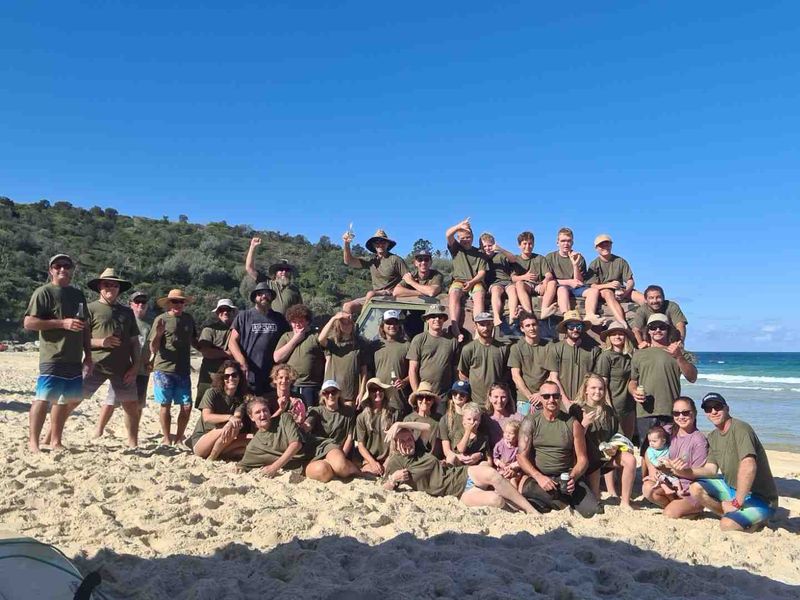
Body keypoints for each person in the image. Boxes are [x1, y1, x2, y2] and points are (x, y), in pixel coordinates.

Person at [665, 393, 778, 532]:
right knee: (696, 488)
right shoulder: (713, 436)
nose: (713, 411)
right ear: (705, 413)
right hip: (731, 488)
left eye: (717, 407)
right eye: (708, 409)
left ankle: (747, 518)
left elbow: (749, 465)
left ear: (727, 408)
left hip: (760, 496)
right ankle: (729, 514)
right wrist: (683, 471)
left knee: (727, 526)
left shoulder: (741, 428)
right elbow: (710, 470)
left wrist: (737, 502)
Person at [383, 421, 538, 513]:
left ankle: (532, 511)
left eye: (409, 439)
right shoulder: (396, 461)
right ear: (395, 443)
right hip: (455, 492)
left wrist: (400, 424)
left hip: (460, 474)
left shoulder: (419, 448)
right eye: (402, 441)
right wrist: (393, 479)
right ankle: (517, 513)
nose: (407, 443)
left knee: (492, 474)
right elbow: (383, 488)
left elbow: (427, 427)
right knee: (496, 500)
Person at [24, 254, 92, 452]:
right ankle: (33, 442)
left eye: (67, 266)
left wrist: (88, 355)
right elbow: (29, 322)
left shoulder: (78, 295)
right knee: (43, 398)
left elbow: (85, 327)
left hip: (73, 357)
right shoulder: (43, 292)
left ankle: (55, 441)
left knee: (63, 401)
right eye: (58, 266)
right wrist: (62, 323)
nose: (62, 269)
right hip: (52, 356)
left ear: (72, 270)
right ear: (50, 270)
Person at [517, 381, 600, 517]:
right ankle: (558, 501)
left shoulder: (572, 423)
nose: (551, 400)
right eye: (546, 396)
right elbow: (521, 456)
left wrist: (573, 477)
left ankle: (557, 501)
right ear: (540, 398)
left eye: (555, 396)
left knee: (592, 510)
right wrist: (539, 477)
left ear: (561, 398)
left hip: (565, 476)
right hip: (540, 477)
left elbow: (582, 459)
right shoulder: (530, 421)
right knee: (534, 491)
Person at [629, 313, 697, 476]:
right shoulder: (639, 353)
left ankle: (672, 482)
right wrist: (633, 392)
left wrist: (679, 356)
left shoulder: (678, 351)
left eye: (662, 327)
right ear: (648, 331)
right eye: (653, 327)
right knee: (647, 450)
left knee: (673, 449)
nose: (657, 330)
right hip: (646, 411)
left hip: (671, 410)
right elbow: (632, 381)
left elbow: (692, 377)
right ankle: (648, 484)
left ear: (668, 329)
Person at [82, 268, 142, 446]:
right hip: (95, 365)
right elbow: (80, 339)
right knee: (72, 400)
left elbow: (134, 343)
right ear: (100, 286)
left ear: (119, 289)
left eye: (114, 285)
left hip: (123, 368)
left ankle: (133, 443)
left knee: (131, 406)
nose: (110, 288)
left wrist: (135, 366)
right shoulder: (90, 309)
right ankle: (51, 438)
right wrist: (101, 343)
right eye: (107, 284)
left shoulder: (127, 312)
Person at [571, 374, 636, 511]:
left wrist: (615, 446)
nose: (597, 392)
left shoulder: (608, 411)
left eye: (601, 389)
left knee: (630, 459)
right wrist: (584, 424)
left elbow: (619, 435)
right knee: (595, 498)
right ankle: (596, 495)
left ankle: (625, 501)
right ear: (586, 390)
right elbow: (571, 440)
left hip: (606, 454)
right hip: (588, 458)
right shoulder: (576, 409)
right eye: (593, 388)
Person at [642, 396, 708, 519]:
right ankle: (675, 506)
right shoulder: (667, 431)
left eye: (685, 413)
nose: (681, 416)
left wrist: (674, 469)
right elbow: (648, 450)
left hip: (689, 490)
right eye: (676, 413)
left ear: (694, 413)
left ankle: (692, 509)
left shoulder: (699, 440)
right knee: (647, 489)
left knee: (669, 514)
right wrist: (653, 471)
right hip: (669, 483)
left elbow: (700, 475)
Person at [148, 289, 200, 446]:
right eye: (174, 301)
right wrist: (158, 334)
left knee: (187, 406)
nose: (178, 304)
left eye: (181, 301)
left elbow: (194, 341)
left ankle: (178, 437)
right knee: (166, 404)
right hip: (163, 369)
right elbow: (153, 348)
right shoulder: (161, 319)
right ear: (168, 303)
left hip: (183, 369)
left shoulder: (188, 319)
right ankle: (166, 437)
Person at [228, 281, 289, 395]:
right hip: (249, 373)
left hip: (273, 374)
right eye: (260, 294)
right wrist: (242, 362)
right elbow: (232, 341)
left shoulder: (279, 318)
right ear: (255, 297)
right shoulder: (244, 316)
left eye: (267, 294)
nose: (264, 296)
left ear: (271, 297)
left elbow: (287, 341)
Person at [188, 361, 251, 460]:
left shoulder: (241, 398)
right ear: (222, 378)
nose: (230, 378)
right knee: (233, 428)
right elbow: (207, 417)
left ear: (239, 377)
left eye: (234, 375)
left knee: (250, 440)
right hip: (203, 439)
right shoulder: (212, 393)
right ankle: (212, 457)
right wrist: (230, 418)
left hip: (224, 439)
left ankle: (220, 454)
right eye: (227, 376)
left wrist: (231, 422)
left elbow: (238, 416)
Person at [304, 380, 362, 483]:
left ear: (339, 393)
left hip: (337, 452)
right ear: (322, 395)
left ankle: (352, 469)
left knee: (341, 467)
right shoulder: (316, 411)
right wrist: (301, 422)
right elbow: (308, 425)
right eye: (326, 392)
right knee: (323, 472)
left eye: (333, 392)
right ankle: (337, 467)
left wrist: (341, 456)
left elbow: (350, 437)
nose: (330, 395)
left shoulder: (348, 412)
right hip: (319, 453)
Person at [342, 228, 408, 314]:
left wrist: (396, 290)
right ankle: (351, 326)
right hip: (375, 297)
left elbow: (408, 278)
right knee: (347, 306)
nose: (380, 244)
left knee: (370, 294)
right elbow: (349, 261)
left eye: (383, 242)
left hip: (391, 296)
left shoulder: (395, 260)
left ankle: (362, 322)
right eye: (377, 242)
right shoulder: (371, 260)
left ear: (388, 244)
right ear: (373, 245)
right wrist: (346, 243)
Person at [583, 234, 644, 326]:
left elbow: (630, 281)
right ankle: (622, 323)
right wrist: (609, 285)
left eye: (607, 244)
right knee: (607, 293)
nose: (605, 247)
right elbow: (592, 285)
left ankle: (651, 320)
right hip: (604, 290)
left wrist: (625, 293)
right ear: (596, 248)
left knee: (641, 297)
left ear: (611, 245)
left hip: (620, 289)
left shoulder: (620, 261)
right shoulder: (594, 264)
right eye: (601, 245)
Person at [273, 304, 325, 408]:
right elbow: (277, 358)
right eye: (294, 322)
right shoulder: (287, 336)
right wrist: (295, 339)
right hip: (290, 385)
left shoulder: (315, 336)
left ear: (307, 321)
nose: (297, 324)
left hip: (311, 386)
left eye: (300, 321)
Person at [238, 396, 305, 476]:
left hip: (315, 450)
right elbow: (244, 464)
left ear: (269, 411)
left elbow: (296, 444)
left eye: (265, 410)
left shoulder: (284, 419)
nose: (263, 414)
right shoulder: (254, 446)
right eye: (258, 412)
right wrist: (239, 467)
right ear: (251, 417)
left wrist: (274, 467)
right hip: (303, 465)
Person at [546, 310, 600, 407]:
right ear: (566, 328)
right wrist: (566, 402)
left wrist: (586, 399)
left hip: (586, 402)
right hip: (561, 403)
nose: (575, 329)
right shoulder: (555, 348)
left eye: (578, 326)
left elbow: (595, 379)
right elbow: (554, 377)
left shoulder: (594, 350)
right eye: (571, 326)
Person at [445, 218, 487, 338]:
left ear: (472, 237)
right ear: (458, 238)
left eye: (467, 237)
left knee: (479, 296)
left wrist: (472, 282)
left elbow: (482, 272)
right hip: (459, 281)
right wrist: (459, 226)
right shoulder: (456, 249)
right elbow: (448, 234)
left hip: (475, 281)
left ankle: (479, 328)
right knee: (454, 293)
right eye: (462, 238)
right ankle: (455, 327)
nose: (465, 240)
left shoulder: (479, 253)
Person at [457, 311, 510, 406]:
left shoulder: (503, 348)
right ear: (475, 327)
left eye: (489, 324)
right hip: (475, 402)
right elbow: (463, 374)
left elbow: (507, 373)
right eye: (482, 324)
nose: (486, 328)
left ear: (493, 325)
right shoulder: (468, 348)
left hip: (497, 403)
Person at [406, 304, 459, 397]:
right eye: (433, 316)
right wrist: (417, 393)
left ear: (444, 319)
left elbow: (456, 370)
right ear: (427, 320)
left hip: (444, 394)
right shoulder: (419, 339)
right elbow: (412, 369)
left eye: (440, 316)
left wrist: (454, 392)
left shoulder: (452, 341)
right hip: (424, 393)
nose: (437, 319)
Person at [318, 311, 367, 408]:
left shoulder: (360, 343)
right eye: (344, 323)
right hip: (331, 392)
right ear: (338, 325)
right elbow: (321, 339)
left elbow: (364, 370)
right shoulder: (333, 343)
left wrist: (362, 392)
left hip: (350, 393)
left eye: (349, 322)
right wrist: (334, 318)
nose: (347, 325)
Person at [596, 321, 636, 438]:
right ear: (609, 337)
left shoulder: (630, 356)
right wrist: (608, 406)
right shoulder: (606, 356)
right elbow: (603, 384)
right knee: (613, 443)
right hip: (613, 406)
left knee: (627, 442)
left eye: (620, 334)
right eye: (614, 334)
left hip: (629, 406)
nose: (617, 337)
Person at [244, 237, 303, 315]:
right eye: (281, 269)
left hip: (285, 326)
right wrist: (252, 246)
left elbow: (300, 310)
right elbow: (249, 268)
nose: (284, 272)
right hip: (268, 324)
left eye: (287, 270)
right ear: (275, 273)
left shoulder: (295, 290)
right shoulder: (267, 283)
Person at [195, 299, 236, 408]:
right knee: (206, 408)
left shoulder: (238, 330)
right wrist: (227, 354)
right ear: (217, 313)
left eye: (228, 309)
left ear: (233, 312)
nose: (225, 312)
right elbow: (206, 352)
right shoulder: (209, 330)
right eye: (222, 310)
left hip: (231, 379)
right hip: (209, 378)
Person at [508, 312, 551, 415]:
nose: (531, 328)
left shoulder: (549, 347)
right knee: (524, 429)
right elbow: (516, 376)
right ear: (522, 329)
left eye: (534, 324)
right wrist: (530, 397)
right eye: (527, 325)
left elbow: (552, 374)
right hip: (524, 399)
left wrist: (541, 394)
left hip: (546, 397)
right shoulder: (516, 348)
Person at [371, 310, 410, 416]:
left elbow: (414, 371)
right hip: (378, 399)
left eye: (395, 323)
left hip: (398, 400)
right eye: (389, 323)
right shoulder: (374, 346)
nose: (392, 326)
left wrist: (404, 382)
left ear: (399, 326)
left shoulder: (407, 345)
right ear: (383, 326)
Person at [355, 378, 398, 475]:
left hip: (390, 457)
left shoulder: (394, 413)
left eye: (380, 389)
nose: (378, 392)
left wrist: (387, 462)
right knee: (369, 471)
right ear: (369, 394)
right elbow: (361, 445)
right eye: (374, 390)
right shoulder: (361, 417)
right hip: (370, 459)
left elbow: (395, 442)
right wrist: (373, 462)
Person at [512, 231, 558, 320]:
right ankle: (528, 312)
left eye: (530, 244)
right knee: (519, 284)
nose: (527, 246)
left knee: (552, 283)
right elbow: (513, 278)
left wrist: (545, 281)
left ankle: (545, 310)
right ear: (519, 245)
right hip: (526, 286)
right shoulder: (516, 259)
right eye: (524, 244)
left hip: (539, 285)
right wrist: (524, 277)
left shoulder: (540, 258)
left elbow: (548, 274)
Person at [545, 228, 588, 316]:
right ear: (557, 243)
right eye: (563, 241)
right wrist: (568, 282)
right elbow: (548, 280)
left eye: (569, 241)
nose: (566, 244)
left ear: (572, 242)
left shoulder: (579, 257)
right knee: (562, 289)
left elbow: (579, 282)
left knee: (593, 291)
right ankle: (567, 316)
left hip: (576, 288)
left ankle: (590, 315)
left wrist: (575, 264)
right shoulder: (550, 257)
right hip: (558, 287)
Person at [479, 232, 518, 327]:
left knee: (513, 290)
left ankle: (512, 314)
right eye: (485, 246)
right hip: (495, 284)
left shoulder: (501, 255)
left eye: (490, 245)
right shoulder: (481, 258)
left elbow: (514, 259)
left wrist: (500, 249)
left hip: (507, 281)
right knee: (496, 291)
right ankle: (496, 317)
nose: (488, 248)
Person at [439, 397, 489, 466]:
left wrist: (481, 456)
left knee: (485, 464)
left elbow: (489, 460)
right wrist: (468, 432)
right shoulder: (459, 433)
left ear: (480, 421)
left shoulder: (483, 437)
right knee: (451, 458)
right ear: (463, 421)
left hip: (475, 467)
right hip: (460, 464)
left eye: (475, 419)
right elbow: (461, 449)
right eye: (469, 419)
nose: (472, 422)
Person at [403, 381, 441, 453]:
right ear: (416, 400)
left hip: (436, 460)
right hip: (415, 458)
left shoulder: (439, 419)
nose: (424, 401)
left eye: (428, 398)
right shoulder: (408, 419)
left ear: (433, 401)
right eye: (420, 397)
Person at [484, 383, 523, 449]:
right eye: (496, 397)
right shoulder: (486, 421)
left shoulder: (518, 418)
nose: (499, 401)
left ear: (508, 399)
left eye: (503, 397)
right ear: (490, 398)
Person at [129, 291, 152, 407]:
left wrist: (150, 363)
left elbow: (152, 348)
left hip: (142, 371)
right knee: (112, 403)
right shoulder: (125, 321)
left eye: (143, 302)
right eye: (137, 301)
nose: (140, 304)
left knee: (138, 405)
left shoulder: (150, 326)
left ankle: (135, 426)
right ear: (131, 304)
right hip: (124, 369)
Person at [493, 420, 522, 488]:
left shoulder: (519, 447)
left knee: (513, 480)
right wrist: (500, 463)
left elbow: (521, 461)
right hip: (502, 469)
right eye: (505, 432)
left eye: (511, 433)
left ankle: (514, 497)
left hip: (515, 470)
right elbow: (495, 457)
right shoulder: (500, 445)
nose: (507, 435)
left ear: (518, 435)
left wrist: (512, 466)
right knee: (499, 480)